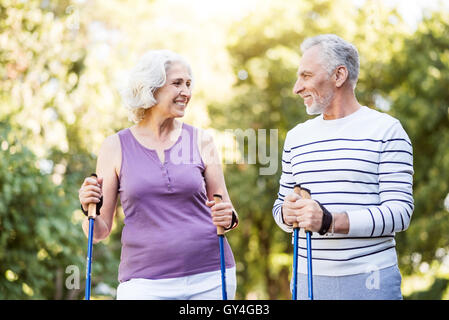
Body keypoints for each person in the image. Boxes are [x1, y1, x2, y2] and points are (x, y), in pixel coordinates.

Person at [78, 49, 239, 300]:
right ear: (150, 88)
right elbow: (99, 232)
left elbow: (226, 209)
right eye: (177, 83)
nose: (186, 91)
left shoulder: (201, 141)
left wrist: (228, 216)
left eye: (188, 84)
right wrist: (88, 207)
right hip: (145, 284)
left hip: (211, 277)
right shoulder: (115, 146)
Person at [273, 34, 413, 300]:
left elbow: (400, 213)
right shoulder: (296, 137)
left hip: (370, 279)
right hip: (307, 278)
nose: (296, 88)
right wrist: (287, 212)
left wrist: (330, 221)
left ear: (339, 76)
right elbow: (280, 210)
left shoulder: (387, 131)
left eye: (306, 76)